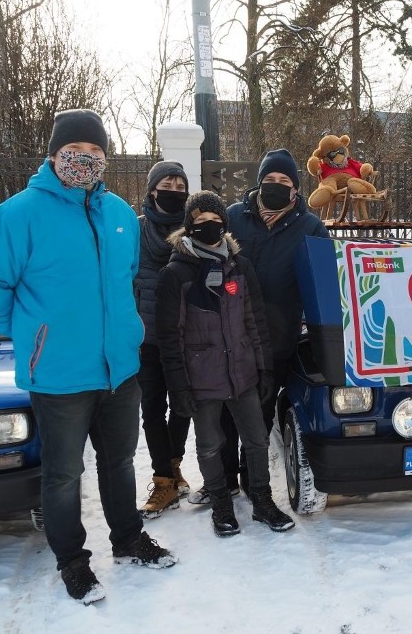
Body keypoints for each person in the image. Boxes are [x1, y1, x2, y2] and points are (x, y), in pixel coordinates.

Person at [0, 109, 176, 605]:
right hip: (59, 374)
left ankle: (126, 538)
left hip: (119, 368)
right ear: (55, 155)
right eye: (75, 153)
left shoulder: (121, 215)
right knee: (63, 475)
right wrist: (34, 333)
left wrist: (128, 331)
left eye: (96, 154)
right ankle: (73, 562)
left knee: (120, 462)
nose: (86, 161)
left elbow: (123, 281)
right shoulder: (17, 215)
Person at [156, 190, 295, 535]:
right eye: (200, 221)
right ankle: (220, 502)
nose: (209, 226)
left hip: (243, 372)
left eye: (215, 220)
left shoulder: (239, 265)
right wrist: (178, 385)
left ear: (225, 224)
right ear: (189, 226)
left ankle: (262, 500)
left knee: (257, 440)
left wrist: (263, 368)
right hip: (202, 377)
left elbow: (255, 321)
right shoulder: (176, 273)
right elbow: (170, 337)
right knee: (209, 444)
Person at [223, 148, 330, 493]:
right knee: (226, 411)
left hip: (278, 333)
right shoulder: (234, 217)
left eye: (284, 180)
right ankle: (224, 481)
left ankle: (251, 476)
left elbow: (324, 280)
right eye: (270, 179)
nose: (276, 185)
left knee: (261, 411)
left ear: (296, 189)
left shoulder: (310, 225)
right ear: (258, 182)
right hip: (231, 335)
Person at [135, 160, 193, 519]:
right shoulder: (135, 230)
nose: (173, 191)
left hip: (185, 336)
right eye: (166, 184)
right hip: (145, 337)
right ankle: (163, 480)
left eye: (179, 185)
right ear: (152, 189)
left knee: (183, 406)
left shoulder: (193, 230)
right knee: (152, 410)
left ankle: (174, 464)